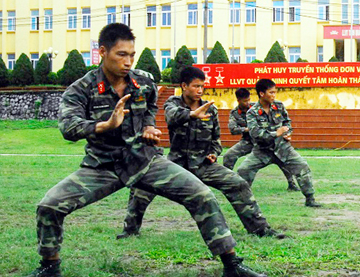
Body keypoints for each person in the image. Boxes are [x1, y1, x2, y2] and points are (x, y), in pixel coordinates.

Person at [15, 24, 268, 277]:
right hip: (103, 165)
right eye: (121, 55)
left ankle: (231, 265)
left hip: (145, 159)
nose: (127, 62)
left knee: (202, 195)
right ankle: (49, 268)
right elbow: (68, 127)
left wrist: (148, 125)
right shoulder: (81, 89)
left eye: (132, 55)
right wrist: (105, 125)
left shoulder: (144, 81)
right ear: (103, 52)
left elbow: (150, 104)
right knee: (49, 206)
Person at [117, 67, 284, 240]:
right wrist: (191, 114)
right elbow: (171, 116)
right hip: (176, 164)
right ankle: (130, 230)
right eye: (196, 86)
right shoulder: (172, 104)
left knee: (238, 184)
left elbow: (216, 140)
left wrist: (213, 152)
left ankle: (260, 229)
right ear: (184, 86)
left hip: (203, 164)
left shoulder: (209, 109)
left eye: (202, 86)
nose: (199, 90)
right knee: (142, 188)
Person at [237, 78, 321, 207]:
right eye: (271, 92)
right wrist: (275, 133)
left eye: (275, 92)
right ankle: (243, 201)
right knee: (243, 170)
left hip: (283, 148)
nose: (274, 95)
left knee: (302, 167)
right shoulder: (252, 112)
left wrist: (287, 133)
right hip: (262, 151)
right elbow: (255, 134)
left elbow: (287, 122)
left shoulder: (279, 106)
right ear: (261, 94)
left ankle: (310, 199)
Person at [222, 87, 298, 192]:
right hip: (248, 141)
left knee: (281, 159)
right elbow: (233, 129)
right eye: (245, 101)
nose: (248, 103)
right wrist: (248, 129)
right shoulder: (235, 113)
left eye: (249, 99)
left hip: (265, 140)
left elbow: (275, 122)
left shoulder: (257, 107)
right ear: (238, 100)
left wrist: (284, 133)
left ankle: (292, 184)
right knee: (228, 156)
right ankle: (227, 181)